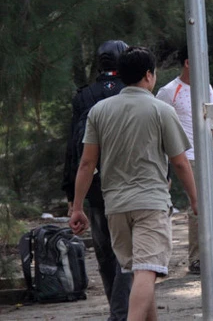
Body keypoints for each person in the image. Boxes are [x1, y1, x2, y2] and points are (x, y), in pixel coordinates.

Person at [69, 47, 198, 321]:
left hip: (115, 206)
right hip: (150, 203)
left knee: (140, 270)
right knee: (146, 271)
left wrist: (77, 207)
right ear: (149, 75)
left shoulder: (99, 111)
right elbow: (180, 162)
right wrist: (195, 200)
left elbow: (86, 163)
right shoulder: (161, 110)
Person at [61, 40, 132, 321]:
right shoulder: (133, 91)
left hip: (95, 188)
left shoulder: (84, 97)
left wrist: (72, 197)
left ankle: (119, 310)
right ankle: (120, 313)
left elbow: (74, 152)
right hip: (129, 183)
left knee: (106, 255)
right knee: (128, 254)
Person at [156, 47, 213, 275]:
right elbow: (158, 125)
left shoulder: (205, 88)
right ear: (187, 62)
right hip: (185, 157)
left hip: (205, 155)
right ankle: (197, 258)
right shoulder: (169, 91)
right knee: (198, 205)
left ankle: (207, 254)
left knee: (208, 205)